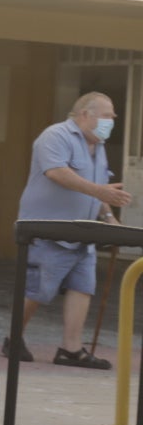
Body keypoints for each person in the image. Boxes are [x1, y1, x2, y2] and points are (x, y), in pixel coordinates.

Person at [7, 92, 132, 369]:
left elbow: (99, 190)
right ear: (85, 114)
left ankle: (71, 349)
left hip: (84, 234)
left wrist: (110, 218)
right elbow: (57, 173)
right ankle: (13, 338)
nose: (112, 121)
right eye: (107, 115)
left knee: (82, 287)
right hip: (48, 229)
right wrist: (100, 191)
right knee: (37, 290)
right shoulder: (55, 136)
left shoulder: (97, 147)